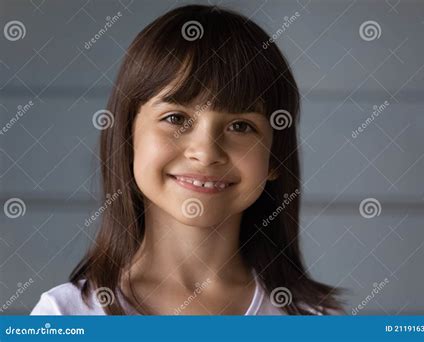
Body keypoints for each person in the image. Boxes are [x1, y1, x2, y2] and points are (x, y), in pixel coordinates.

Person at [31, 4, 345, 316]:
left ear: (276, 156)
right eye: (176, 118)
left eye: (240, 126)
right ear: (127, 139)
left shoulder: (318, 319)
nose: (206, 152)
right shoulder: (63, 315)